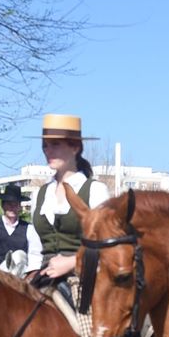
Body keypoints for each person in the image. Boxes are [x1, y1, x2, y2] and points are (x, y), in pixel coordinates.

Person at [28, 113, 111, 287]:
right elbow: (35, 250)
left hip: (84, 280)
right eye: (45, 146)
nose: (48, 150)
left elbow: (106, 246)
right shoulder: (40, 194)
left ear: (75, 148)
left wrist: (72, 262)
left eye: (55, 144)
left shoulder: (95, 191)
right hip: (43, 280)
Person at [0, 180, 43, 274]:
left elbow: (35, 256)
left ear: (19, 207)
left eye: (15, 205)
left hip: (21, 276)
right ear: (3, 205)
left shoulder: (29, 229)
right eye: (9, 204)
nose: (12, 208)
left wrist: (30, 274)